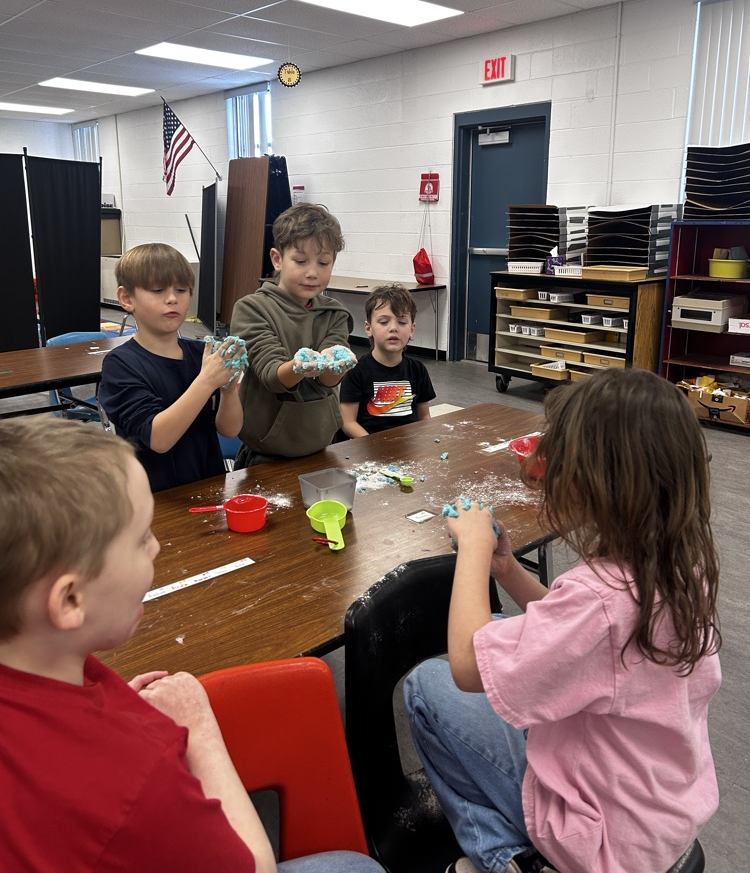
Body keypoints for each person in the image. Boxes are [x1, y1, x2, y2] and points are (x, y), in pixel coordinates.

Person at [0, 417, 384, 873]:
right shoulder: (133, 778)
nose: (157, 548)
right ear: (70, 599)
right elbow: (253, 866)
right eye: (142, 537)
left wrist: (103, 705)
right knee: (355, 866)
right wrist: (198, 726)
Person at [404, 368, 722, 873]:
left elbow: (467, 664)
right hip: (660, 809)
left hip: (599, 836)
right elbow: (578, 634)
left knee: (426, 685)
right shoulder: (681, 564)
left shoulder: (602, 598)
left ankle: (507, 858)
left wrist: (473, 547)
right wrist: (506, 569)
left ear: (586, 481)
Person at [99, 243, 245, 492]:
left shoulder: (201, 354)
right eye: (157, 290)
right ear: (126, 298)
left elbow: (230, 430)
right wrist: (207, 381)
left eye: (182, 290)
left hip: (208, 486)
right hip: (154, 497)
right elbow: (159, 439)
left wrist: (228, 390)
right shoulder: (120, 365)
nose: (172, 299)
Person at [230, 202, 355, 468]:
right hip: (266, 453)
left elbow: (328, 380)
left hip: (323, 444)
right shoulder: (252, 308)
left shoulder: (334, 313)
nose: (312, 272)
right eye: (300, 261)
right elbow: (271, 375)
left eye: (323, 263)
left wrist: (336, 363)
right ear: (277, 259)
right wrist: (299, 367)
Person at [340, 283, 435, 437]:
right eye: (384, 322)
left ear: (412, 329)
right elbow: (348, 422)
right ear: (368, 328)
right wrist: (375, 445)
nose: (393, 328)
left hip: (407, 448)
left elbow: (424, 417)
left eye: (402, 322)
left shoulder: (418, 370)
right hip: (368, 448)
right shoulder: (356, 371)